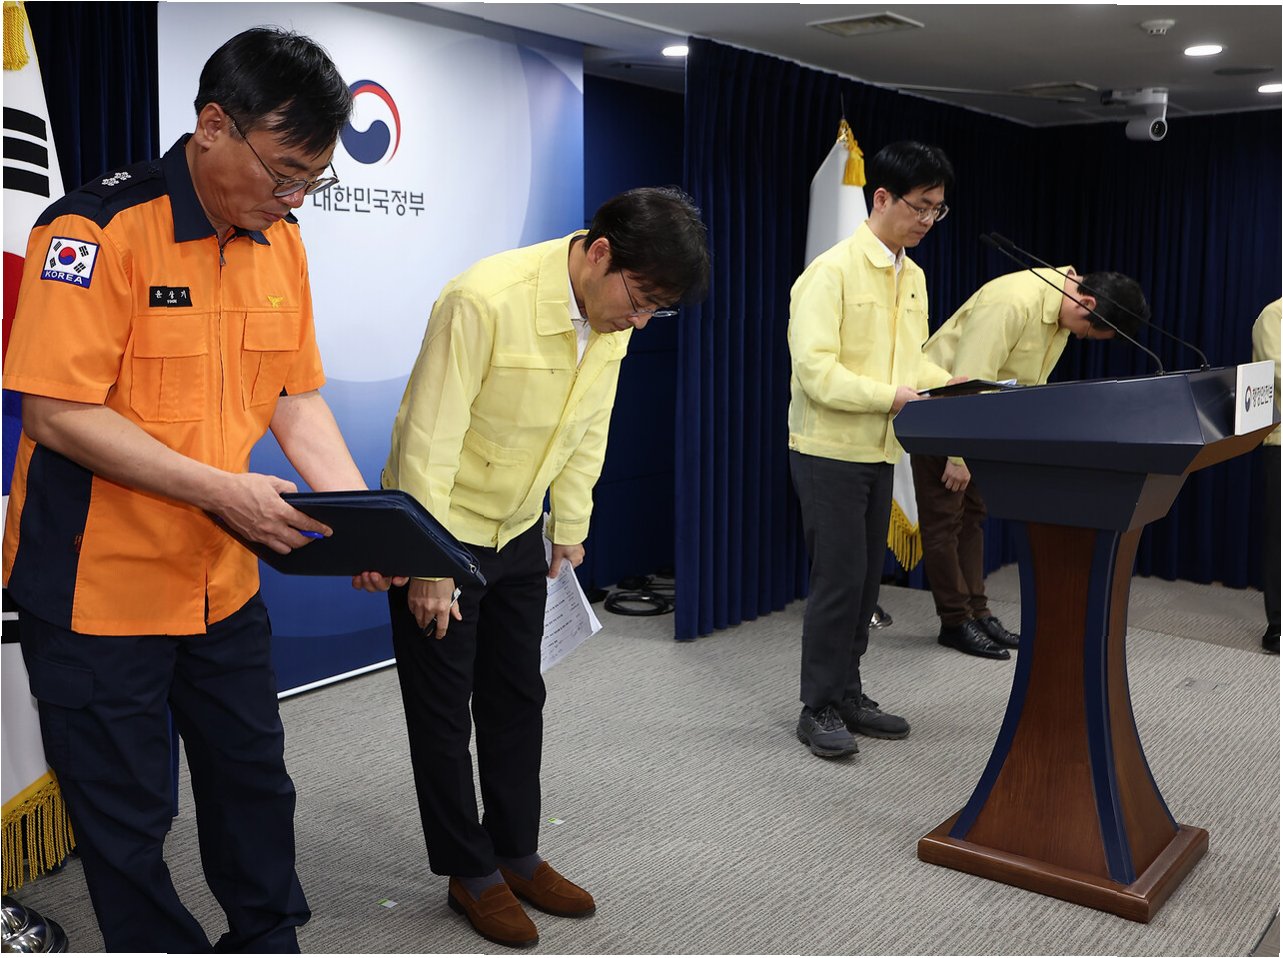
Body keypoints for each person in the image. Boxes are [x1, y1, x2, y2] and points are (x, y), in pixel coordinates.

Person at [1, 28, 401, 952]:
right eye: (284, 173)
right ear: (214, 126)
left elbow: (294, 396)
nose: (293, 198)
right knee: (128, 814)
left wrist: (361, 522)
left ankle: (268, 938)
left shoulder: (280, 241)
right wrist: (224, 490)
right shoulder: (95, 231)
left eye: (312, 181)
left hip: (221, 580)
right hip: (98, 590)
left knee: (253, 783)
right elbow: (59, 414)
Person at [382, 187, 710, 948]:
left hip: (523, 530)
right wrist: (427, 562)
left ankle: (515, 850)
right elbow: (426, 437)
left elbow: (589, 426)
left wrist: (570, 525)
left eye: (657, 311)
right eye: (640, 300)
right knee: (442, 712)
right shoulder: (482, 300)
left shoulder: (610, 318)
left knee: (516, 695)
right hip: (447, 532)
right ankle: (468, 871)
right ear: (600, 253)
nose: (640, 321)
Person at [786, 141, 958, 760]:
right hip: (828, 450)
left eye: (937, 209)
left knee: (864, 585)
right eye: (920, 206)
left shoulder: (914, 276)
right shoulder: (829, 272)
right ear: (881, 197)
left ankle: (848, 693)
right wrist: (893, 397)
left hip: (882, 449)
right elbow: (815, 372)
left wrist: (952, 384)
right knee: (838, 580)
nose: (928, 220)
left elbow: (912, 362)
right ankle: (817, 706)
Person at [914, 266, 1149, 659]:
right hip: (943, 416)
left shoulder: (1061, 312)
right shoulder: (1013, 302)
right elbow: (968, 380)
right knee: (944, 521)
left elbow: (1028, 385)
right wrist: (958, 453)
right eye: (1087, 332)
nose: (1080, 337)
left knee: (972, 518)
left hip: (984, 426)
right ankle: (954, 621)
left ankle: (978, 612)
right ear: (1087, 303)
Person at [1252, 298, 1281, 654]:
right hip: (1282, 439)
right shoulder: (1274, 315)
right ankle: (1278, 625)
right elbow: (1277, 372)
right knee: (1280, 537)